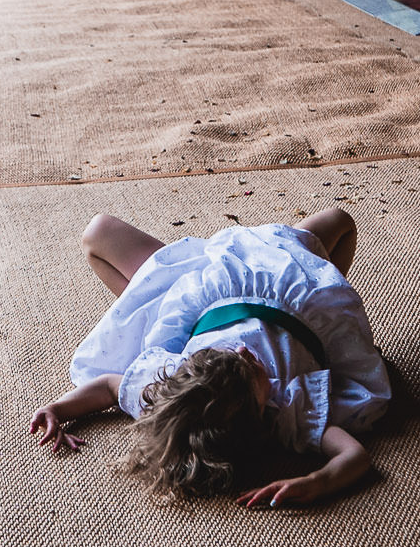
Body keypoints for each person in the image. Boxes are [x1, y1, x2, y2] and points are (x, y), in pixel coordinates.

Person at [29, 206, 391, 509]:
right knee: (340, 220)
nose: (244, 350)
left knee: (98, 233)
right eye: (254, 368)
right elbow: (353, 456)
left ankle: (144, 302)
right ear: (257, 411)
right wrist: (317, 481)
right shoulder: (287, 410)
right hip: (288, 282)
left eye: (232, 355)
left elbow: (109, 387)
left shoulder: (178, 388)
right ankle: (319, 275)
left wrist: (59, 409)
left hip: (203, 285)